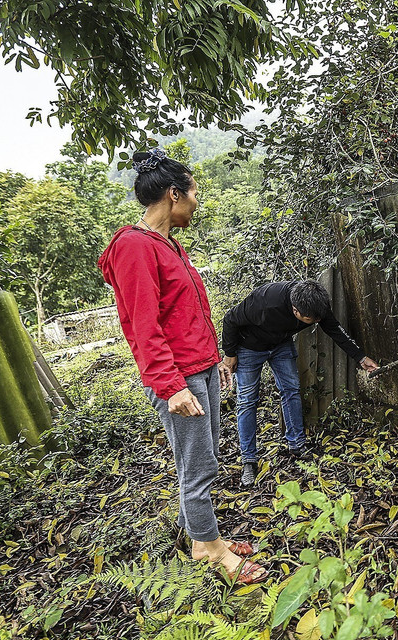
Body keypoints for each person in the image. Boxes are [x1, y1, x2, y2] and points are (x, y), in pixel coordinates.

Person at [98, 148, 267, 585]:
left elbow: (187, 314)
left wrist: (215, 362)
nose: (197, 202)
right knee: (198, 467)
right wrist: (171, 386)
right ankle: (209, 550)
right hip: (179, 377)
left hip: (200, 368)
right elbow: (143, 325)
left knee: (200, 459)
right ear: (174, 195)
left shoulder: (169, 244)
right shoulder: (134, 247)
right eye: (194, 194)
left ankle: (195, 536)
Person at [221, 280, 378, 485]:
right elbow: (230, 319)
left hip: (280, 345)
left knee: (291, 390)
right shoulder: (265, 301)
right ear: (295, 310)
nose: (314, 322)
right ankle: (249, 460)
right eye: (310, 320)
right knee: (247, 400)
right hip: (249, 347)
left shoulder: (316, 304)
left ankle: (297, 445)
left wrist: (361, 358)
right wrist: (230, 354)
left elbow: (335, 330)